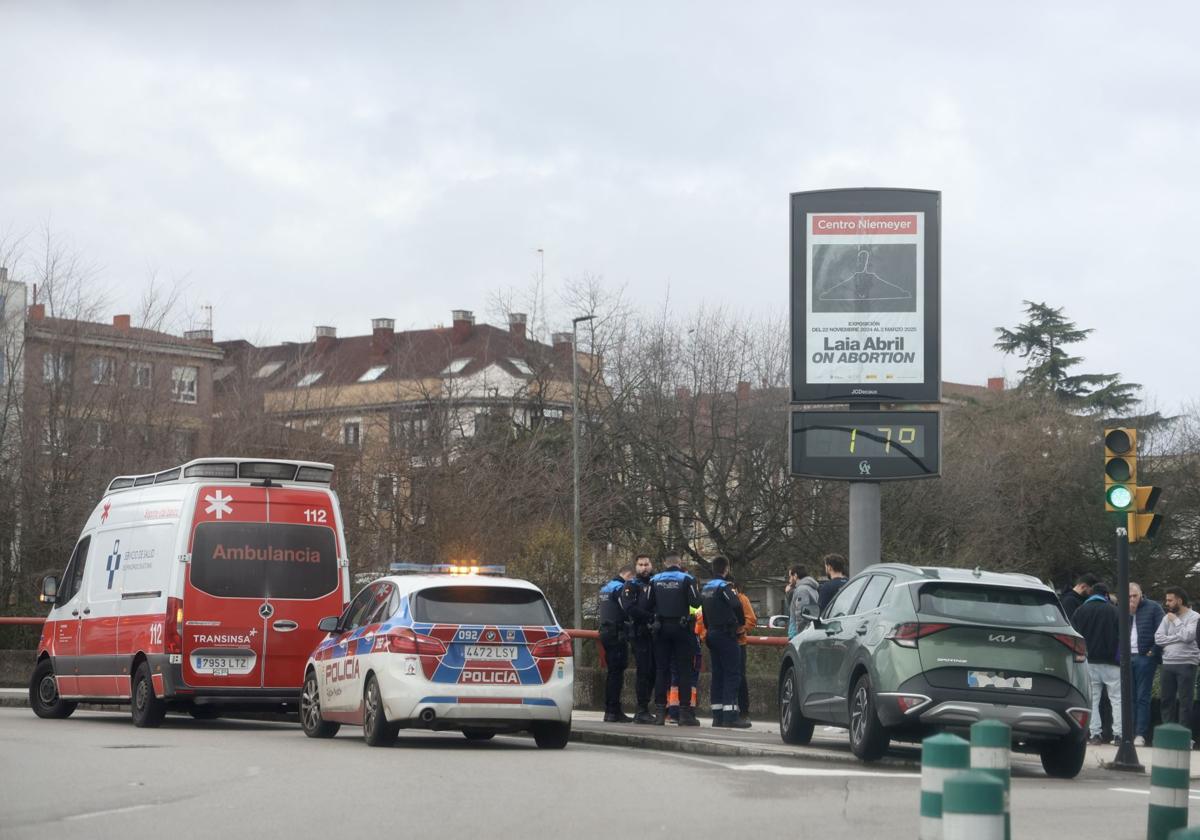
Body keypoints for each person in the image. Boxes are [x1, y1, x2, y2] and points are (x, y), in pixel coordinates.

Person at [648, 552, 702, 726]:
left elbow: (648, 603)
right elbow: (695, 602)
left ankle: (659, 713)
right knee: (684, 669)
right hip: (682, 627)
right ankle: (685, 713)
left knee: (661, 670)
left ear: (665, 562)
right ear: (680, 563)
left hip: (661, 628)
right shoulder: (687, 579)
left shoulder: (655, 580)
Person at [701, 557, 748, 729]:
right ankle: (730, 716)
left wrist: (708, 628)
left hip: (712, 633)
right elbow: (736, 604)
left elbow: (704, 613)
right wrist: (740, 623)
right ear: (726, 569)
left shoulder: (705, 588)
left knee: (718, 675)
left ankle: (717, 716)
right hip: (726, 634)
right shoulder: (724, 587)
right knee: (732, 674)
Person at [1072, 581, 1121, 744]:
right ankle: (1119, 734)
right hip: (1111, 662)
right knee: (1116, 699)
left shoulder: (1080, 611)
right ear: (1106, 595)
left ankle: (1094, 734)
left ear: (1092, 594)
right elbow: (1123, 637)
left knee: (1092, 699)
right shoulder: (1115, 611)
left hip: (1088, 661)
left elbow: (1074, 636)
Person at [1154, 587, 1200, 734]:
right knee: (1167, 700)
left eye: (1170, 600)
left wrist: (1176, 622)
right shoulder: (1166, 617)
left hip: (1187, 663)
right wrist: (1176, 637)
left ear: (1180, 600)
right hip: (1168, 663)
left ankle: (1184, 735)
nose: (1167, 603)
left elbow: (1189, 636)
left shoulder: (1195, 617)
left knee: (1185, 702)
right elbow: (1158, 639)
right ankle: (1167, 733)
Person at [619, 553, 656, 724]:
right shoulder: (631, 585)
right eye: (640, 564)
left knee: (654, 671)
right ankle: (641, 709)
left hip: (655, 634)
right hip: (639, 632)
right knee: (644, 671)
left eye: (646, 564)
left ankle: (647, 707)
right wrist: (651, 617)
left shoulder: (656, 582)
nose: (644, 567)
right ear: (636, 567)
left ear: (651, 565)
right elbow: (629, 607)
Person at [1129, 582, 1165, 746]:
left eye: (1135, 596)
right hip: (1127, 655)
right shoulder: (1123, 609)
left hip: (1144, 656)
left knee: (1142, 696)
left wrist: (1153, 651)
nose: (1132, 599)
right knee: (1128, 697)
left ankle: (1140, 734)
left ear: (1141, 594)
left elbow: (1162, 630)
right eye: (1128, 596)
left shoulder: (1153, 608)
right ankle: (1128, 732)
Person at [598, 565, 635, 722]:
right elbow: (626, 608)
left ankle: (610, 709)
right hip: (617, 633)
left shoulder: (605, 587)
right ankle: (613, 710)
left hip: (605, 632)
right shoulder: (620, 587)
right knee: (616, 673)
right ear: (629, 575)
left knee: (612, 672)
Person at [730, 578, 756, 724]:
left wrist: (741, 630)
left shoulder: (742, 599)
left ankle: (744, 711)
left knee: (740, 677)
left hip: (739, 643)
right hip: (726, 642)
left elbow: (751, 619)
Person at [786, 565, 820, 638]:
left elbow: (800, 613)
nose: (789, 580)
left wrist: (800, 634)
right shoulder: (812, 588)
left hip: (799, 632)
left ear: (795, 575)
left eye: (790, 577)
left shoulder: (802, 590)